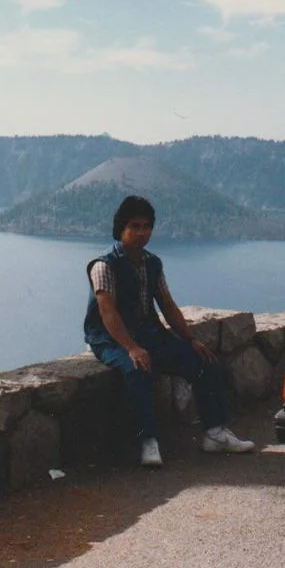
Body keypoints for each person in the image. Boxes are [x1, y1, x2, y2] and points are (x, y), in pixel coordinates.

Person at [83, 195, 255, 467]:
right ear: (121, 228)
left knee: (203, 361)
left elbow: (167, 304)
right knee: (137, 370)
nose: (142, 233)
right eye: (135, 226)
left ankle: (215, 434)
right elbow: (108, 313)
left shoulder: (152, 264)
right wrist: (131, 348)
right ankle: (148, 441)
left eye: (147, 226)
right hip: (110, 339)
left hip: (147, 334)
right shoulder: (104, 266)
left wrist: (190, 339)